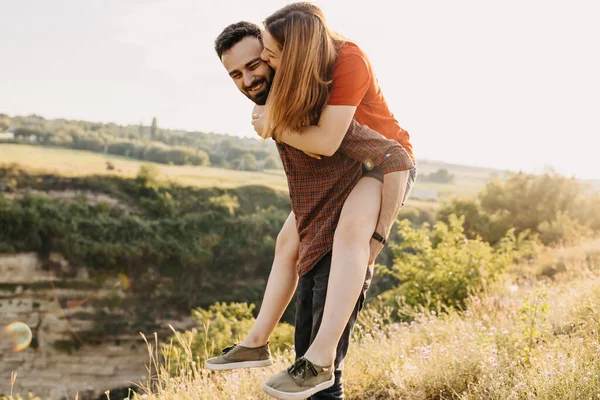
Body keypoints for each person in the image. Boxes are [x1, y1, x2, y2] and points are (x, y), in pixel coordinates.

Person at [208, 18, 415, 399]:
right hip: (347, 175)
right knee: (288, 240)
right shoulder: (278, 103)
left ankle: (319, 359)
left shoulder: (323, 86)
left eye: (257, 63)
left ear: (282, 58)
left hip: (384, 167)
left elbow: (385, 153)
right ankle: (257, 341)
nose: (248, 79)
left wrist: (379, 237)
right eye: (236, 74)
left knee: (351, 230)